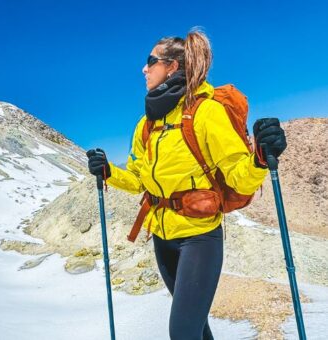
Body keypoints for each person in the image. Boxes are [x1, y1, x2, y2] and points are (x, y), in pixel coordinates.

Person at [87, 30, 286, 340]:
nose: (144, 69)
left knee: (182, 332)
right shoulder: (146, 125)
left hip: (199, 239)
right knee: (195, 329)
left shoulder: (206, 112)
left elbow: (237, 174)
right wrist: (108, 172)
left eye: (150, 61)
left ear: (172, 67)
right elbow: (141, 179)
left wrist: (260, 158)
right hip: (163, 239)